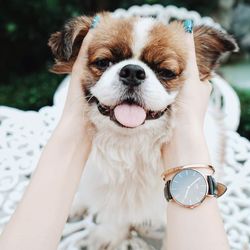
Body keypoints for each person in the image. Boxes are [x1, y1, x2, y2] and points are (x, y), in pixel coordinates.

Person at [0, 22, 230, 250]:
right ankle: (115, 225)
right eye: (103, 62)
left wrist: (186, 138)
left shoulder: (204, 141)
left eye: (165, 71)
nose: (133, 75)